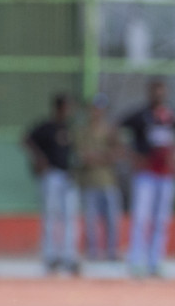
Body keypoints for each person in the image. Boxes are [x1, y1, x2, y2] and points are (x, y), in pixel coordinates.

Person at [121, 79, 175, 278]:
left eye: (162, 90)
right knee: (141, 217)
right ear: (149, 92)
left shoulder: (171, 115)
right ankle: (136, 261)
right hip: (145, 173)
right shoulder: (140, 115)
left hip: (165, 174)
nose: (158, 94)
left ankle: (155, 261)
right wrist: (132, 157)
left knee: (161, 219)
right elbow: (115, 131)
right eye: (155, 90)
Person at [23, 93, 80, 275]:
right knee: (50, 215)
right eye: (66, 107)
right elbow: (26, 139)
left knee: (69, 217)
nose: (68, 111)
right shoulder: (47, 127)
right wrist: (39, 158)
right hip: (51, 175)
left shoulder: (71, 129)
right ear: (58, 108)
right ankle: (50, 256)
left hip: (68, 176)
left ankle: (69, 256)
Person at [76, 94, 122, 261]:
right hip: (89, 182)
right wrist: (104, 157)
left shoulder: (110, 130)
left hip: (109, 181)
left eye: (100, 109)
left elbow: (117, 154)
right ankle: (93, 253)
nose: (97, 112)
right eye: (95, 108)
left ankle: (112, 252)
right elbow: (83, 156)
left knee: (111, 220)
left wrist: (98, 157)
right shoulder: (83, 131)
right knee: (90, 221)